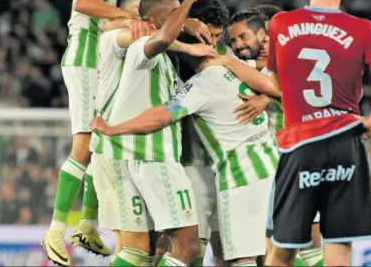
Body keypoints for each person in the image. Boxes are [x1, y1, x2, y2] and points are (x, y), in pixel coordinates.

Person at [263, 0, 371, 266]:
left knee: (282, 252)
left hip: (299, 143)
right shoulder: (363, 29)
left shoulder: (281, 24)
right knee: (338, 248)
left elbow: (273, 85)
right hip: (346, 141)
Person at [90, 34, 281, 266]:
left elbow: (161, 116)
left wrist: (115, 128)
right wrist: (265, 98)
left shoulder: (202, 84)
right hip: (273, 166)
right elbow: (276, 76)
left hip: (241, 175)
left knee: (242, 258)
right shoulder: (240, 67)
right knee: (281, 251)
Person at [43, 0, 166, 266]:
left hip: (103, 62)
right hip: (85, 61)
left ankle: (87, 223)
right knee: (83, 145)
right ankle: (55, 231)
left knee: (100, 141)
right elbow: (83, 1)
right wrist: (127, 15)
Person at [88, 0, 214, 263]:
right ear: (152, 22)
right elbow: (164, 36)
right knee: (186, 246)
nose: (181, 19)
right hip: (151, 158)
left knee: (141, 251)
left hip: (136, 155)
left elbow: (167, 37)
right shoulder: (139, 50)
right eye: (174, 13)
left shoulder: (163, 60)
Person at [225, 10, 324, 267]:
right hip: (278, 160)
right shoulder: (260, 67)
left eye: (269, 35)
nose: (266, 41)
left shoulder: (289, 60)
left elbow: (285, 87)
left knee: (291, 242)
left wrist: (266, 97)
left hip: (291, 157)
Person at [176, 0, 230, 266]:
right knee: (186, 248)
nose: (211, 44)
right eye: (206, 36)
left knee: (228, 249)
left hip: (225, 167)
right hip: (185, 166)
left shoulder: (226, 60)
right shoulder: (168, 55)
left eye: (218, 36)